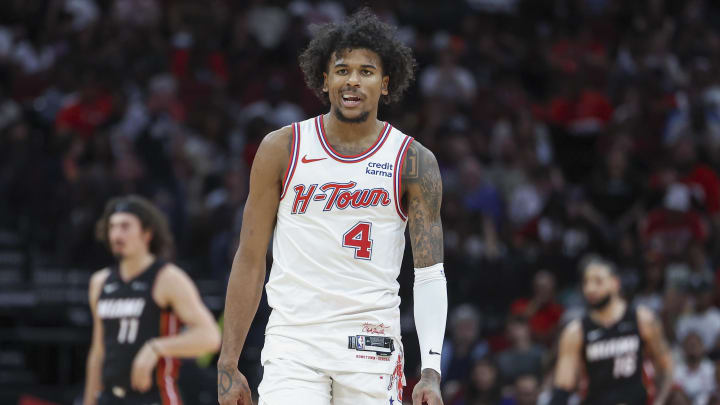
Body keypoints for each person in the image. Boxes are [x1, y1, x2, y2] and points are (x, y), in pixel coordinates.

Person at [217, 8, 447, 405]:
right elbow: (251, 259)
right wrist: (228, 360)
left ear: (386, 84)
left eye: (366, 71)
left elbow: (428, 274)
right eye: (341, 70)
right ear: (324, 81)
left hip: (372, 343)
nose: (352, 80)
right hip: (294, 341)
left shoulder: (413, 161)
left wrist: (430, 370)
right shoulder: (282, 148)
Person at [83, 195, 221, 405]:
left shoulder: (167, 278)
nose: (116, 234)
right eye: (112, 227)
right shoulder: (99, 282)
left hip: (154, 397)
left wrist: (156, 347)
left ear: (147, 233)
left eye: (125, 226)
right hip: (110, 397)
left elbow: (210, 337)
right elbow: (98, 352)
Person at [549, 257, 673, 405]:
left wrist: (660, 401)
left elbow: (665, 368)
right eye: (586, 282)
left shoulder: (642, 320)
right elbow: (563, 385)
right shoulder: (575, 331)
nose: (590, 289)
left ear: (615, 283)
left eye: (598, 281)